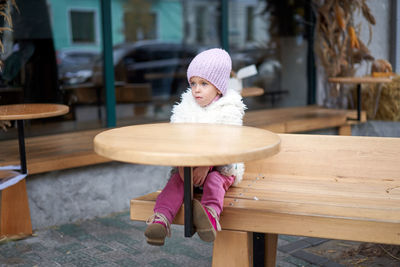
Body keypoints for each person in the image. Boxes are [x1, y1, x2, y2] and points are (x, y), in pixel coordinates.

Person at [145, 48, 246, 246]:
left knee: (215, 181)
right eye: (193, 83)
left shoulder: (229, 109)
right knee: (176, 182)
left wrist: (205, 167)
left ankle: (209, 215)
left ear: (218, 87)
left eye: (204, 84)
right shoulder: (186, 107)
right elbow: (178, 139)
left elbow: (226, 144)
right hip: (189, 166)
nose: (196, 89)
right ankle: (161, 219)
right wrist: (183, 166)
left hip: (221, 166)